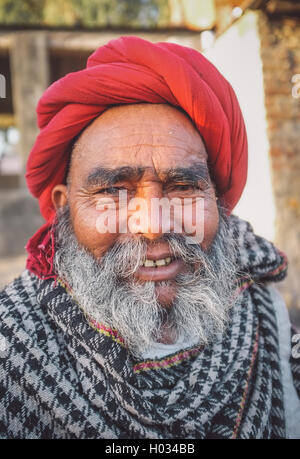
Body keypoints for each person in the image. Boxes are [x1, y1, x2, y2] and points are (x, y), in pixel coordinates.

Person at [0, 36, 299, 439]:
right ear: (63, 208)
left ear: (216, 199)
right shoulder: (11, 346)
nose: (153, 226)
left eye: (183, 187)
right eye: (112, 191)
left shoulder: (265, 309)